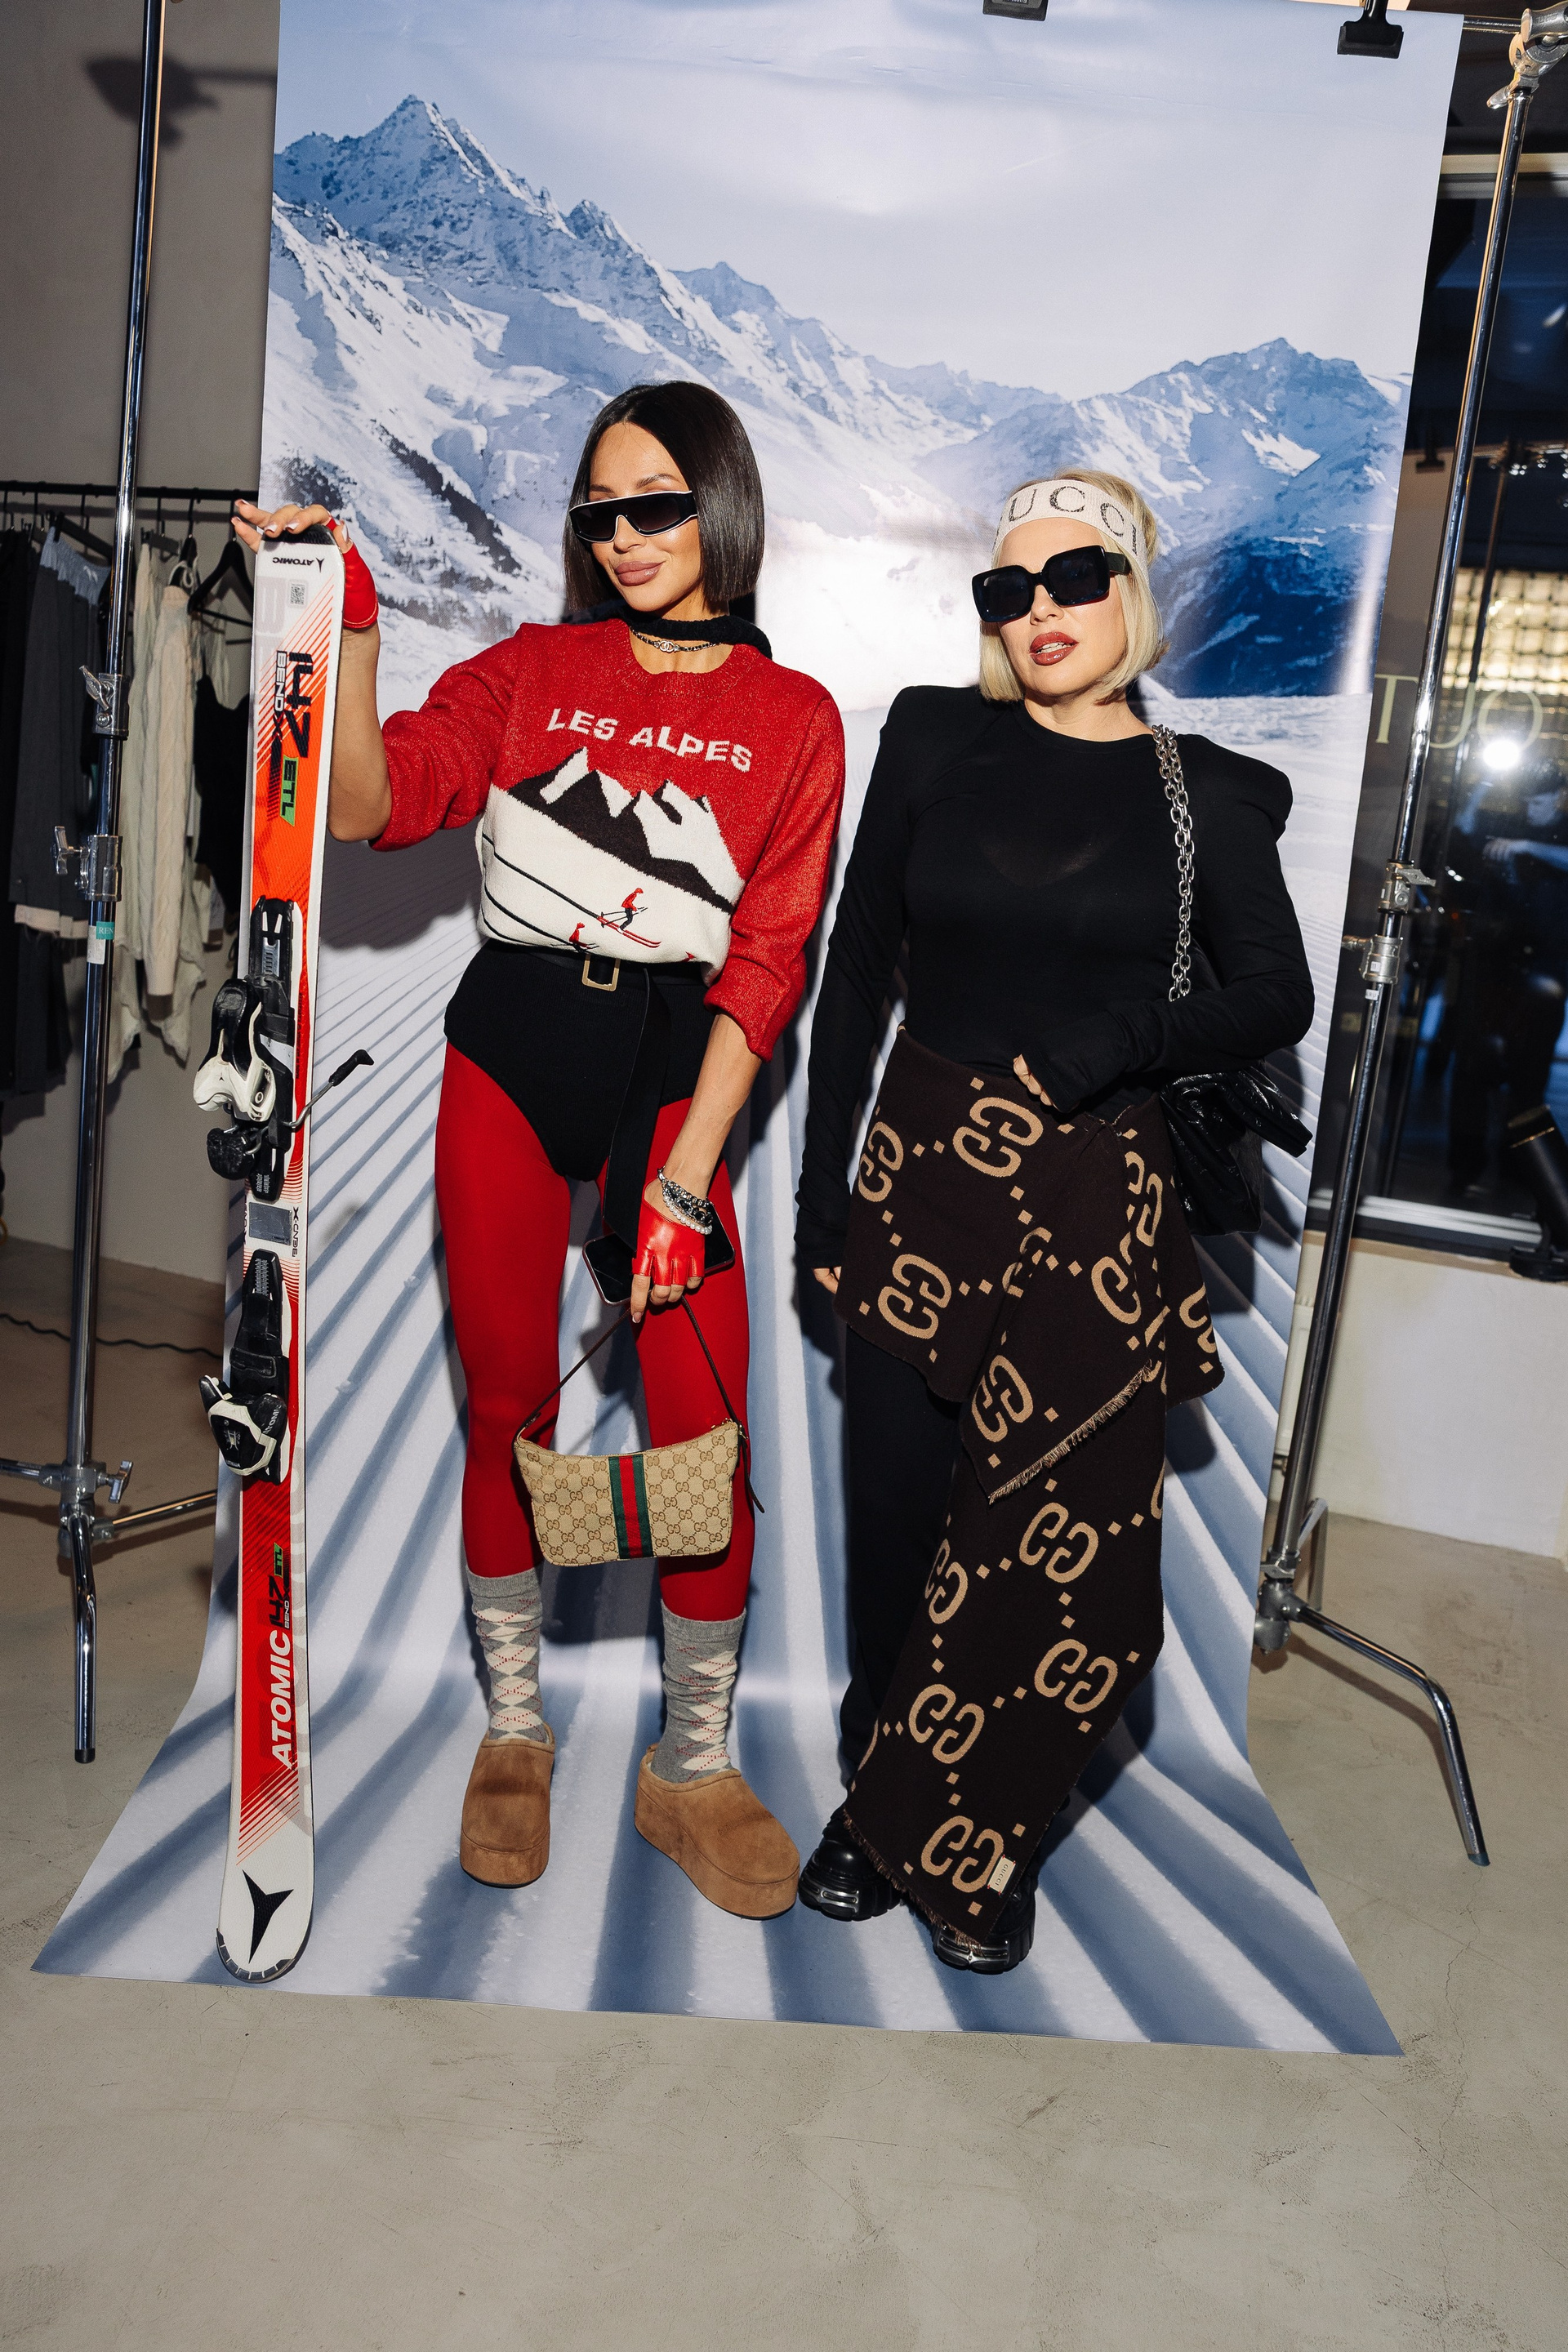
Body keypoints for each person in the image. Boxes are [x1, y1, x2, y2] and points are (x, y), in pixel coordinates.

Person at [234, 381, 844, 1918]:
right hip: (508, 1054)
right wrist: (350, 630)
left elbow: (769, 961)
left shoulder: (796, 718)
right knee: (510, 1404)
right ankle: (515, 1731)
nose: (626, 536)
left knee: (704, 1436)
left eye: (657, 504)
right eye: (601, 511)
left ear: (720, 504)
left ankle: (691, 1764)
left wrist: (687, 1180)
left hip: (673, 1085)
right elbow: (369, 805)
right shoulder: (530, 669)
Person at [792, 470, 1313, 1972]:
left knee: (1050, 1539)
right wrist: (825, 1193)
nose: (1040, 611)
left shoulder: (1209, 790)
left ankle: (988, 1831)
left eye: (1076, 578)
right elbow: (858, 969)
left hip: (1094, 1191)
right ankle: (878, 1804)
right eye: (1007, 589)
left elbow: (1273, 993)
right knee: (900, 1508)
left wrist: (1116, 1047)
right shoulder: (932, 737)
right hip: (922, 1175)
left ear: (1131, 593)